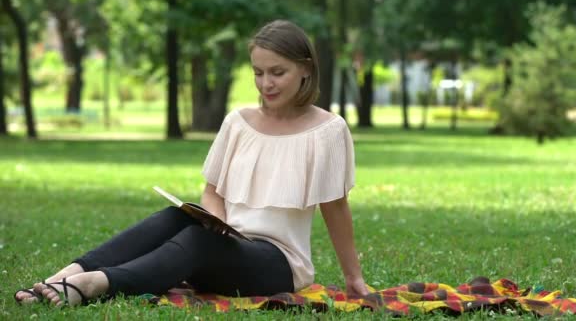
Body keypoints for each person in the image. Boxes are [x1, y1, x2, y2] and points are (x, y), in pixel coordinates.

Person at [14, 19, 369, 307]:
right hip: (228, 243)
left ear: (305, 69)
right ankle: (62, 276)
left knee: (199, 243)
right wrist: (218, 222)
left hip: (278, 264)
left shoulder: (328, 131)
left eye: (278, 72)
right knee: (175, 218)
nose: (266, 84)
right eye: (258, 73)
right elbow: (212, 190)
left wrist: (353, 278)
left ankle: (94, 285)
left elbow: (335, 206)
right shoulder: (238, 122)